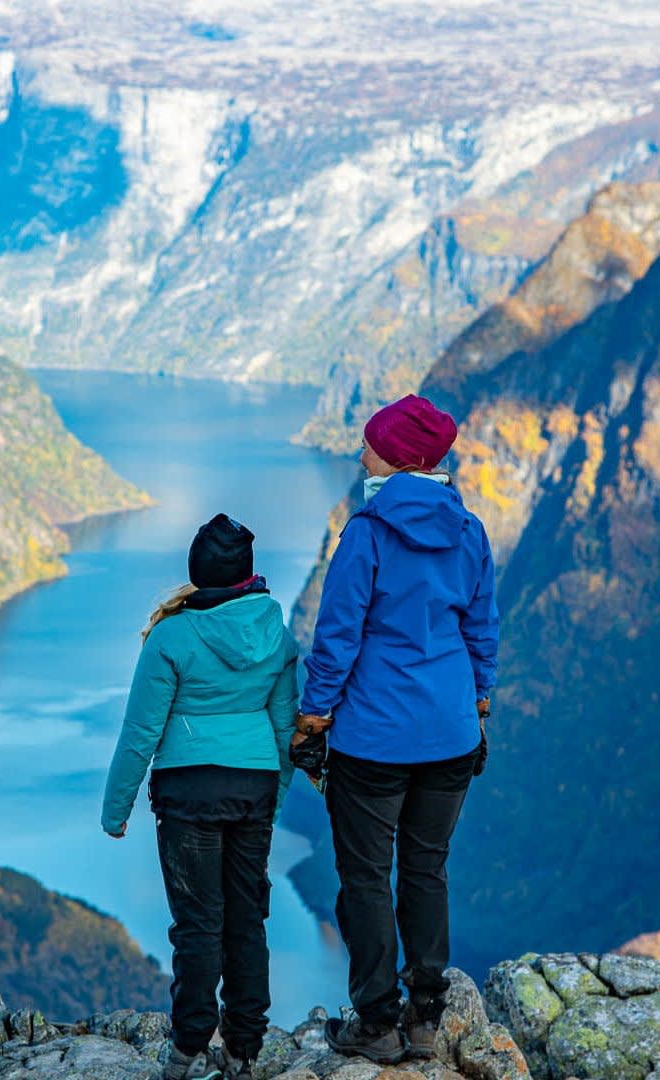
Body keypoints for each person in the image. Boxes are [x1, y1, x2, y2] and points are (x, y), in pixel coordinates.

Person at [297, 394, 497, 1064]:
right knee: (426, 868)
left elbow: (338, 636)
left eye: (371, 447)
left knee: (363, 876)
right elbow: (480, 630)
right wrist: (479, 701)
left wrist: (313, 715)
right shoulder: (469, 531)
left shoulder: (368, 533)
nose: (360, 456)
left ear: (401, 458)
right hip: (449, 735)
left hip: (373, 740)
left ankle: (376, 1021)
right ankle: (426, 1016)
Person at [101, 514, 299, 1080]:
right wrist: (273, 799)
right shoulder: (275, 635)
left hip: (189, 794)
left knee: (197, 925)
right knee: (246, 920)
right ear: (247, 575)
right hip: (253, 789)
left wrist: (117, 811)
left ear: (197, 572)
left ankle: (186, 1048)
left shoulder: (170, 636)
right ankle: (243, 1050)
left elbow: (140, 732)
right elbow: (286, 731)